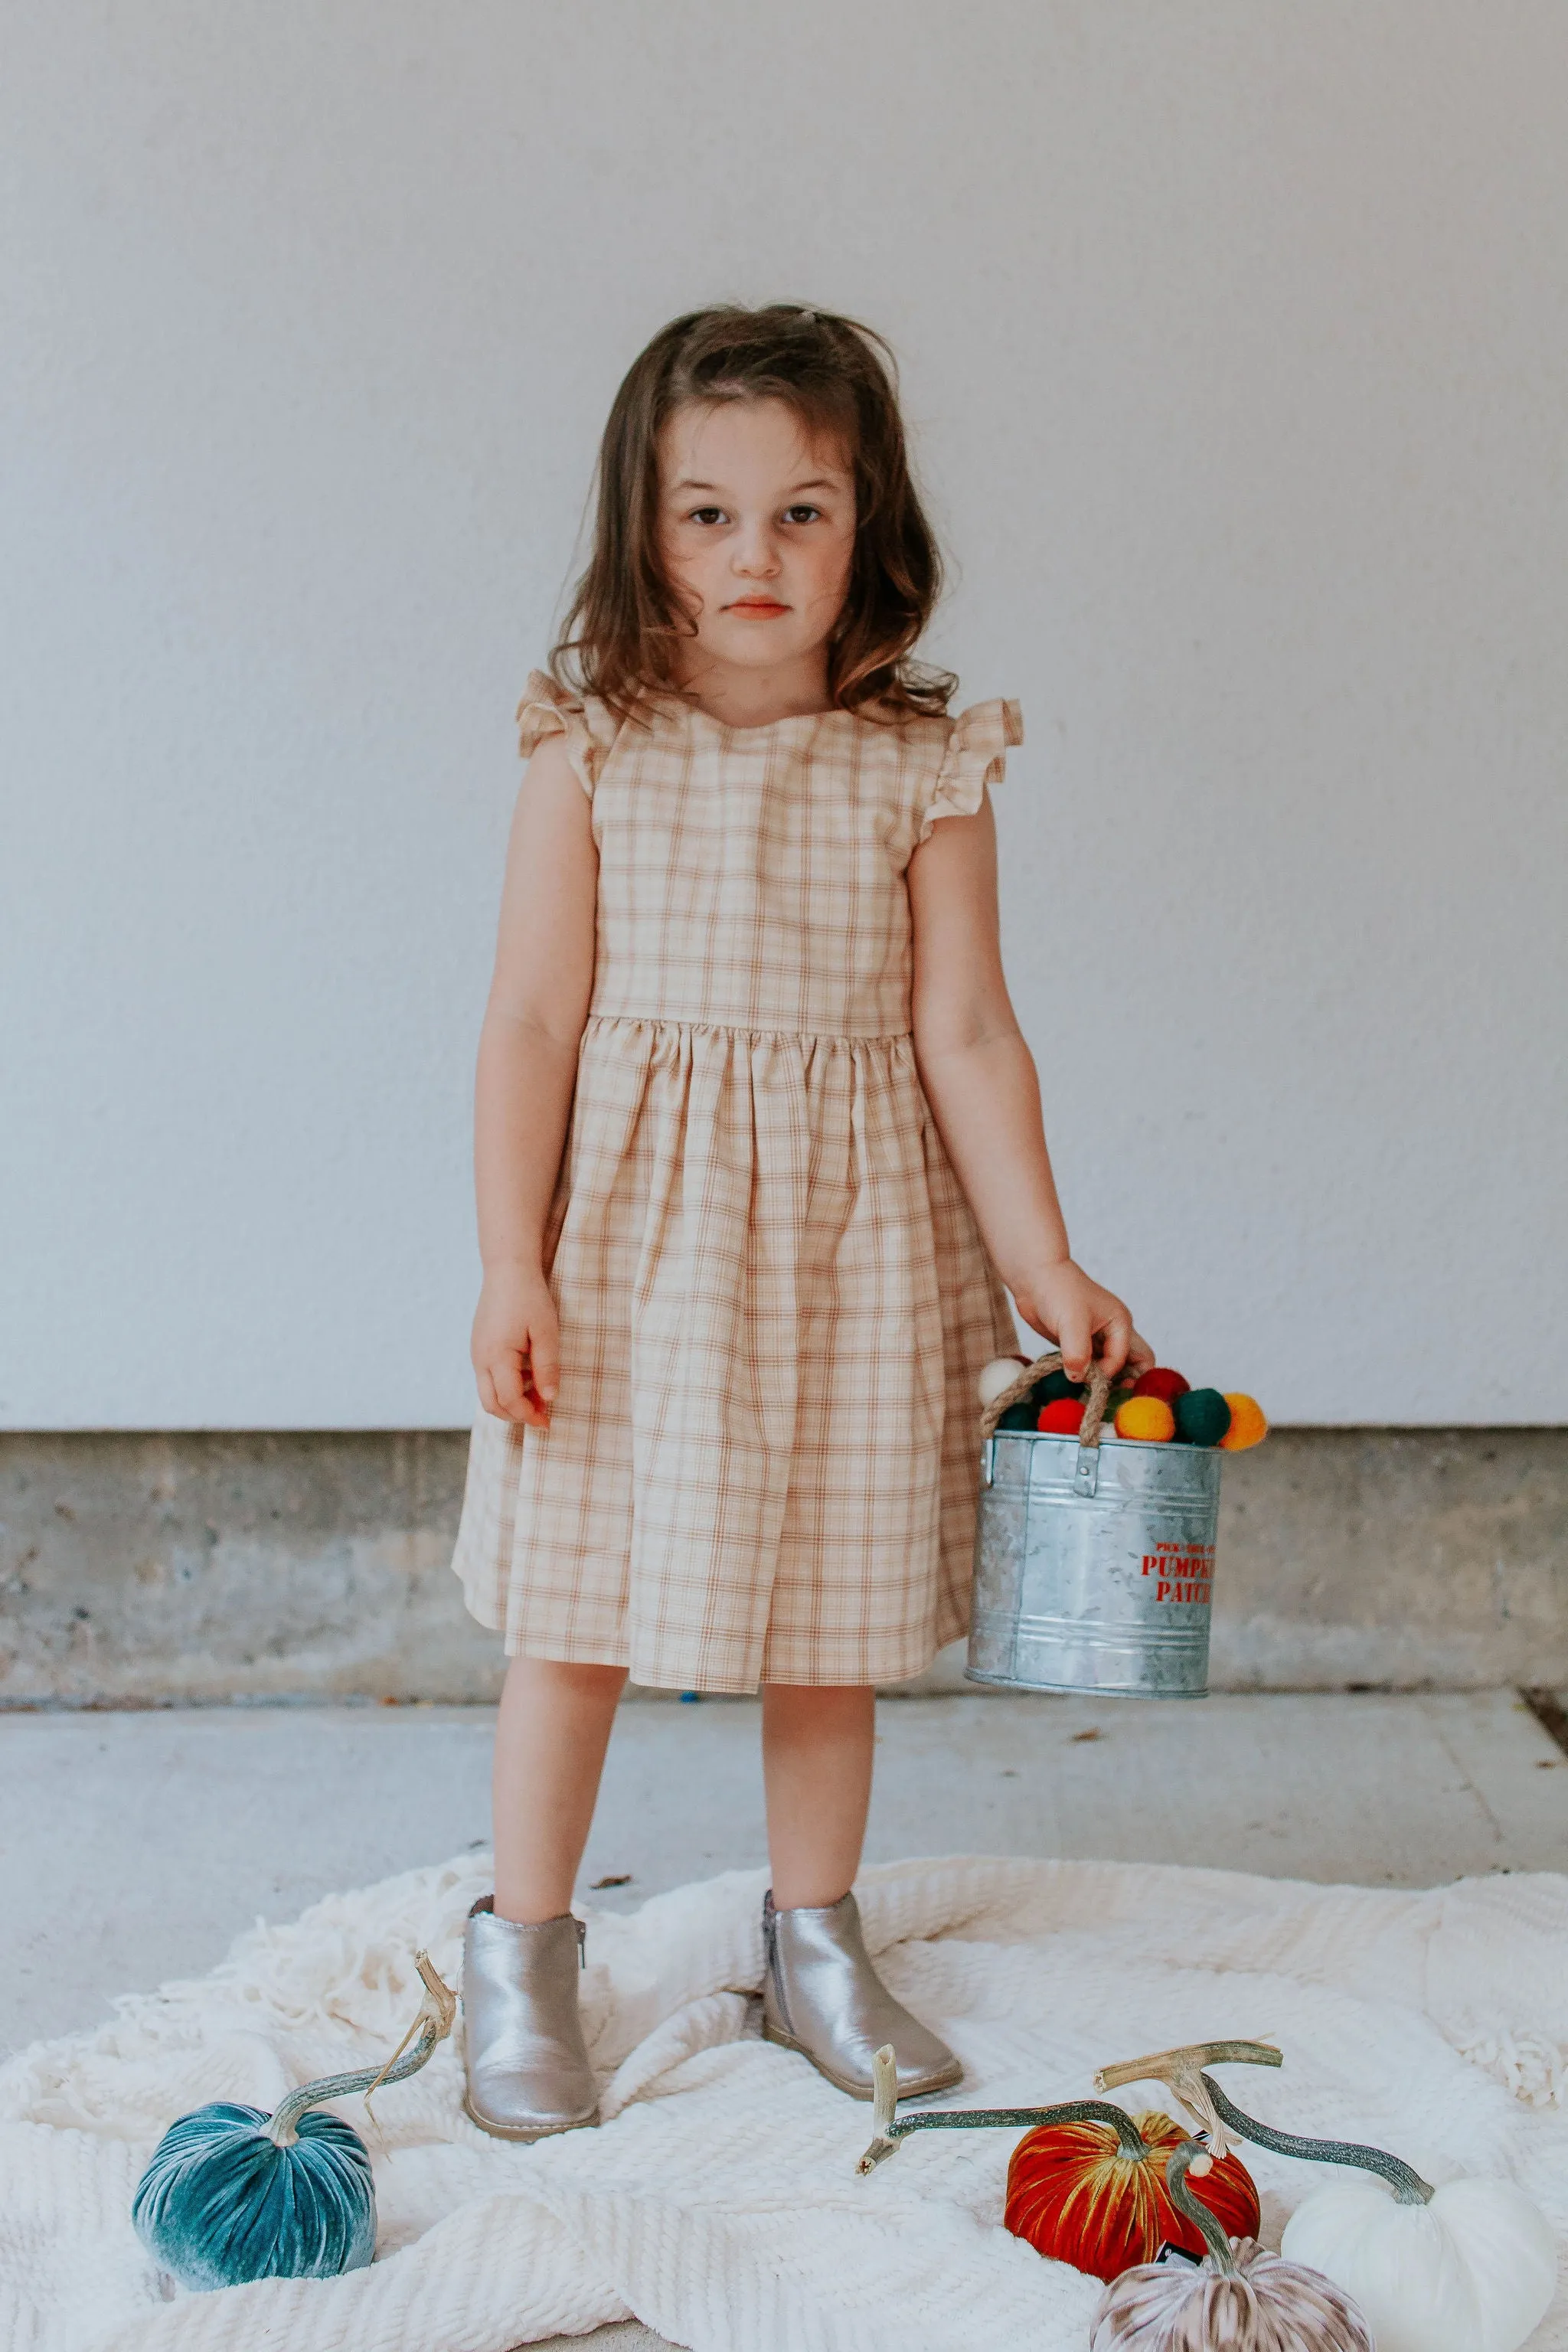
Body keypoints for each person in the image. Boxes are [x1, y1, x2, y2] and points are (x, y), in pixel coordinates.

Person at [450, 304, 1151, 2141]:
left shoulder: (921, 762)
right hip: (632, 1253)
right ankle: (524, 1952)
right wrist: (512, 1262)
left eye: (799, 513)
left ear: (871, 529)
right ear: (640, 530)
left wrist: (1041, 1258)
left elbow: (967, 1029)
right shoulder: (589, 743)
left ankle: (813, 1942)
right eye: (704, 515)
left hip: (851, 1247)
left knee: (825, 1619)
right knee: (576, 1609)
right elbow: (527, 1018)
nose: (751, 557)